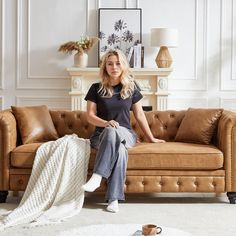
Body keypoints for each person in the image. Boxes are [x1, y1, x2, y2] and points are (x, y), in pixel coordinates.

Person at [82, 49, 165, 213]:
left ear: (124, 65)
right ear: (105, 67)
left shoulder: (131, 87)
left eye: (118, 63)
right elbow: (90, 116)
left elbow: (140, 115)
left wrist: (151, 138)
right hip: (101, 136)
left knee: (116, 130)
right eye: (110, 63)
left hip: (126, 134)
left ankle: (98, 176)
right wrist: (106, 123)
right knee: (119, 148)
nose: (114, 67)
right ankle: (114, 199)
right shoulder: (95, 88)